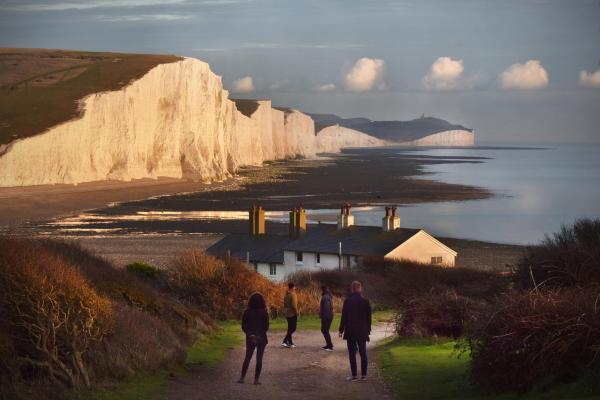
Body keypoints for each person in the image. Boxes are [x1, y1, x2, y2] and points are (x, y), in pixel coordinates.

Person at [339, 281, 372, 382]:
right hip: (362, 330)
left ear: (352, 289)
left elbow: (343, 317)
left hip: (351, 331)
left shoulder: (347, 301)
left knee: (352, 353)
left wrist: (341, 330)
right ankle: (364, 375)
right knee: (363, 352)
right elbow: (369, 318)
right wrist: (368, 330)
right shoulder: (365, 301)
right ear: (360, 288)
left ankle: (354, 376)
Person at [238, 292, 269, 385]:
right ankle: (256, 380)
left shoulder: (247, 312)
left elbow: (244, 326)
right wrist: (259, 336)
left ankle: (242, 378)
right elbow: (266, 327)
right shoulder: (264, 312)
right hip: (261, 338)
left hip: (250, 338)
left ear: (250, 301)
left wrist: (250, 335)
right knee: (259, 359)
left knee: (247, 358)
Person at [282, 282, 298, 348]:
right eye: (294, 287)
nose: (295, 288)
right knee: (293, 328)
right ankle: (285, 341)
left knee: (290, 328)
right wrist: (296, 313)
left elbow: (285, 304)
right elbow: (294, 306)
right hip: (292, 313)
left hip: (287, 313)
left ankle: (290, 343)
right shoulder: (293, 294)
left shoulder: (286, 295)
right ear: (293, 287)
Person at [319, 286, 334, 351]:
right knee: (324, 330)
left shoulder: (325, 297)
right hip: (328, 316)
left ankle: (330, 346)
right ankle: (328, 344)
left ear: (323, 290)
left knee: (325, 330)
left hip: (327, 316)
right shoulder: (328, 296)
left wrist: (324, 316)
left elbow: (327, 308)